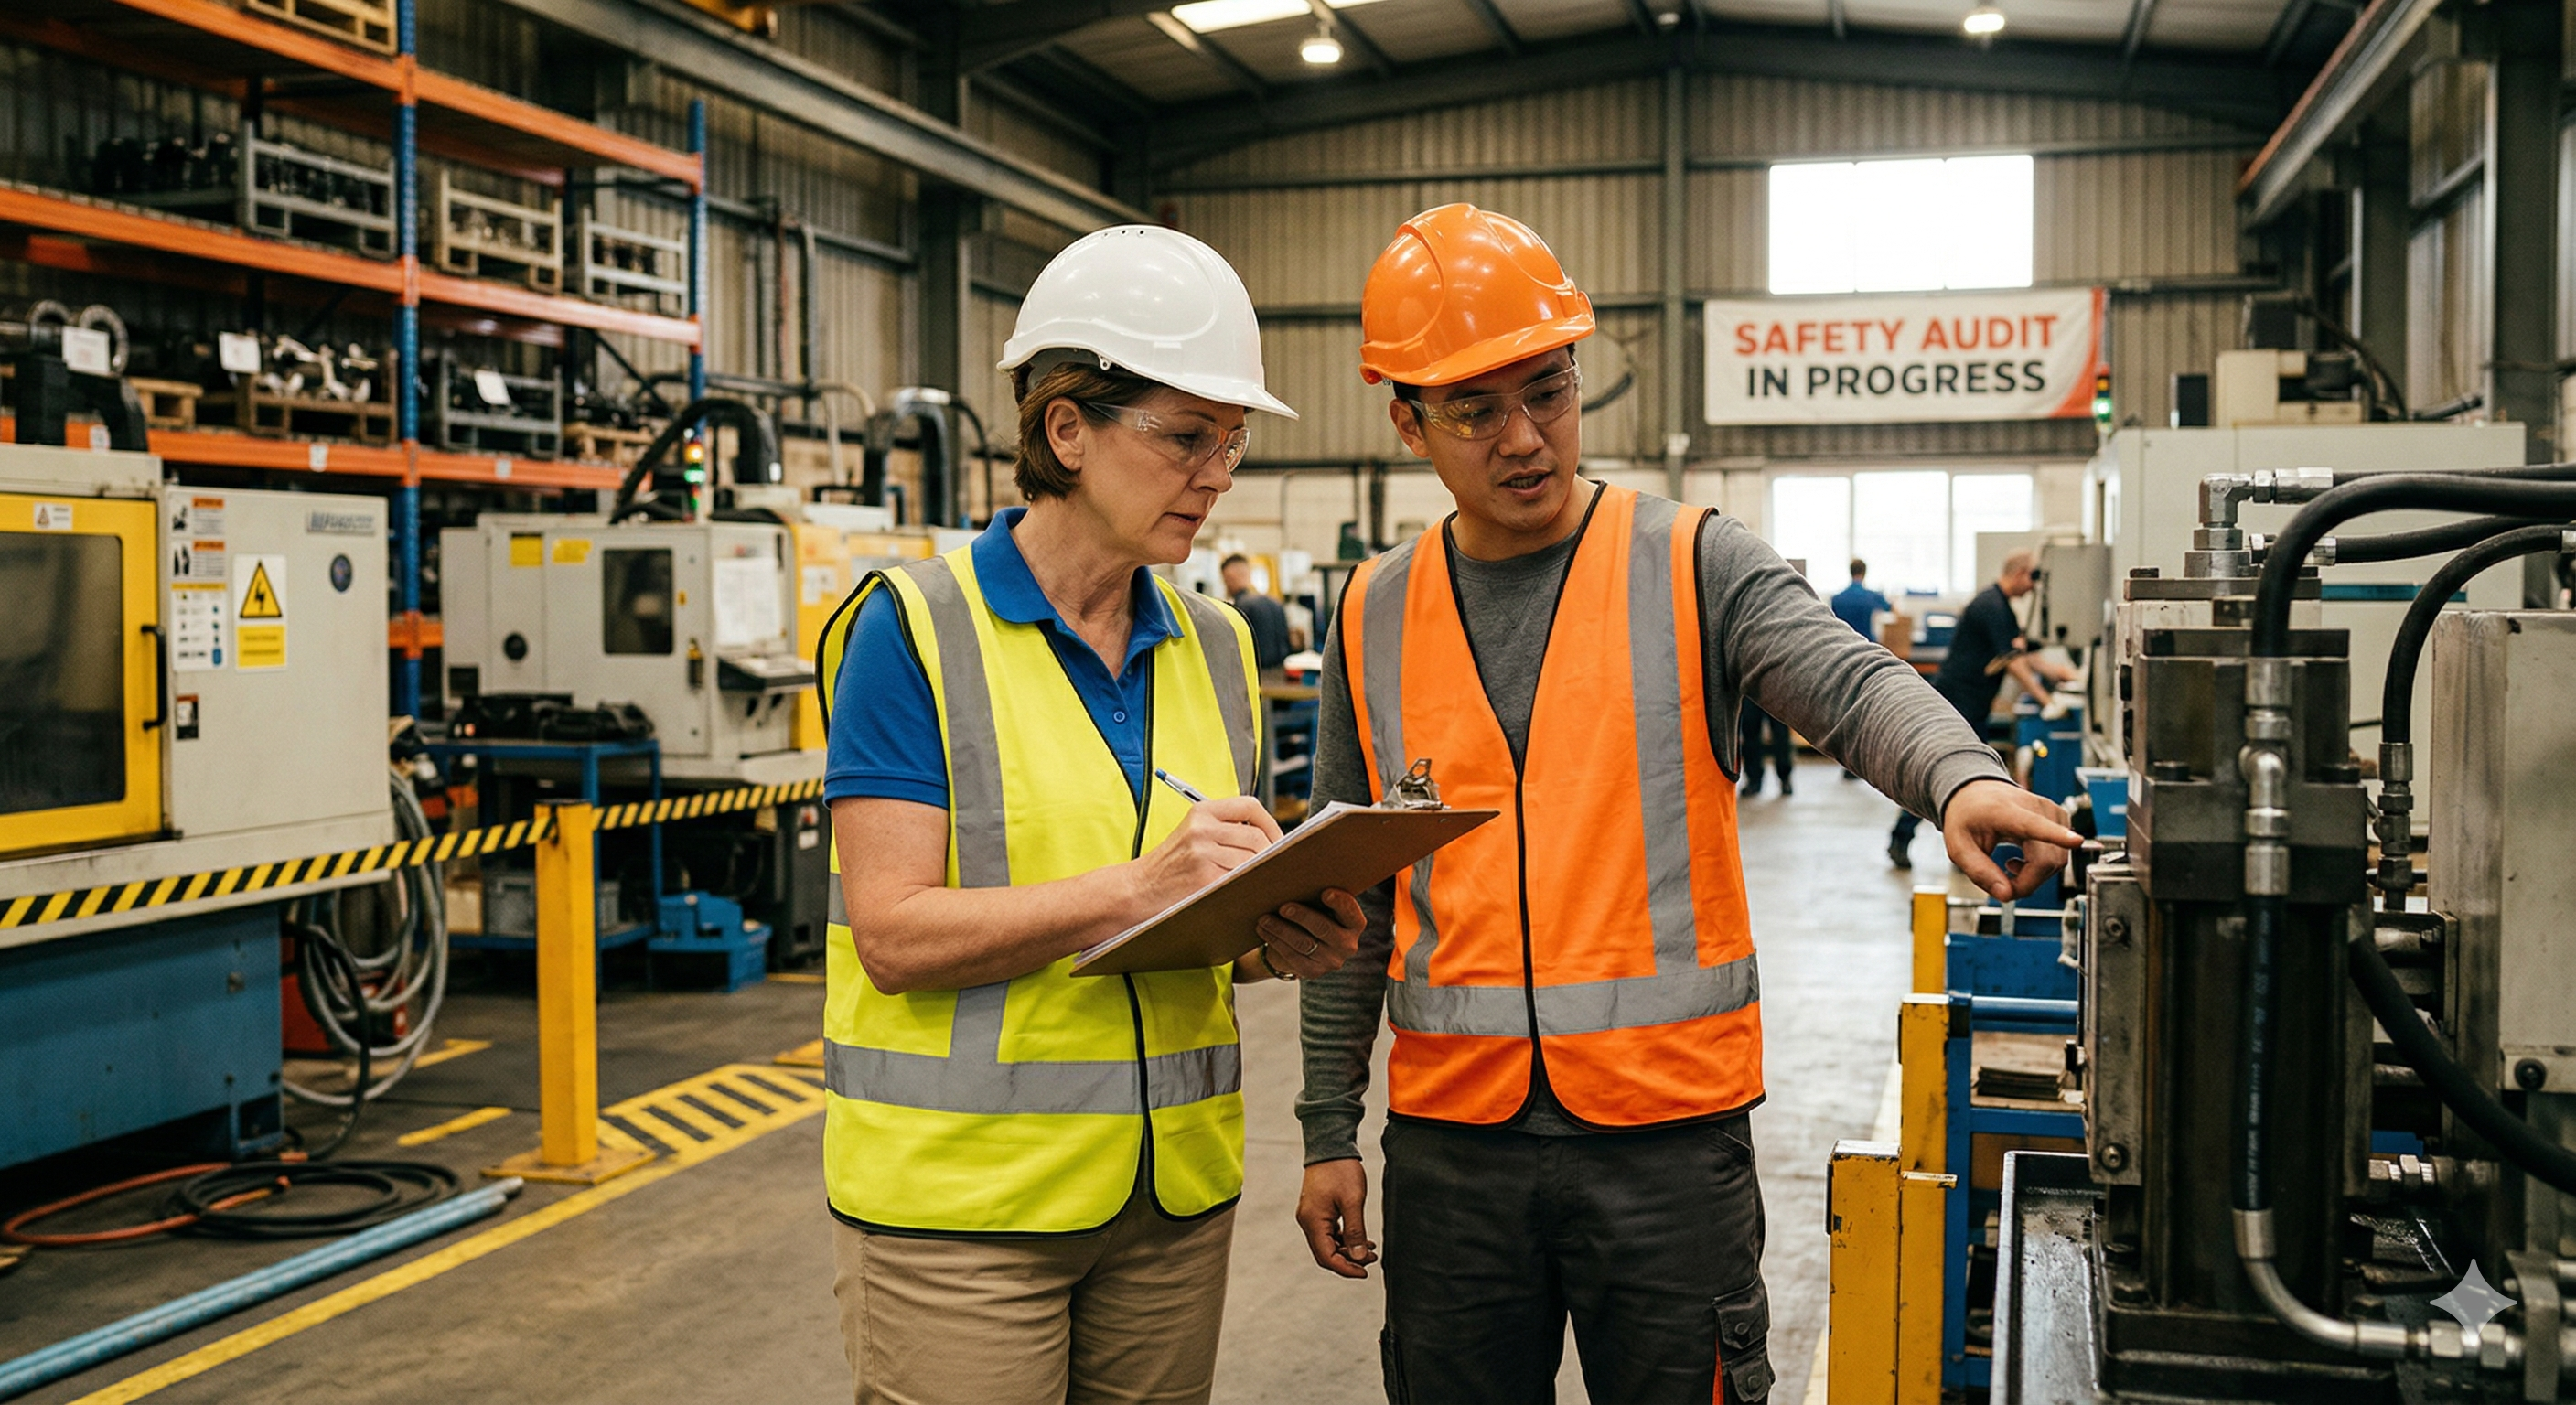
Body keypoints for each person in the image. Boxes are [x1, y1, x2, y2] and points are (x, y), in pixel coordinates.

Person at [1292, 204, 2083, 1405]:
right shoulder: (1373, 611)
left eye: (1547, 394)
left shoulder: (1690, 560)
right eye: (1475, 410)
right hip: (1454, 1156)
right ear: (1408, 422)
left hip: (1665, 1145)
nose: (1523, 439)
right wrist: (1323, 1129)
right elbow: (1341, 891)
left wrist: (1959, 776)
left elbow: (1851, 681)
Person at [817, 224, 1365, 1405]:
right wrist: (1136, 889)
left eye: (1234, 442)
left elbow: (1192, 920)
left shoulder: (1216, 647)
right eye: (1186, 438)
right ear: (1065, 428)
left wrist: (1276, 938)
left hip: (1170, 1205)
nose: (1218, 475)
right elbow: (894, 935)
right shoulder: (913, 632)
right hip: (962, 1216)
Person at [1886, 549, 2080, 870]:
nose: (2033, 587)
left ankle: (1965, 843)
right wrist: (2047, 702)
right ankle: (1901, 838)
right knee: (1944, 772)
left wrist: (2062, 675)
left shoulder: (2001, 608)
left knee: (1969, 775)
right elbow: (2013, 661)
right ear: (2019, 573)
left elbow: (2022, 653)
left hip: (1972, 704)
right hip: (1958, 702)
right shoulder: (1991, 606)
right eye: (2031, 579)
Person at [1220, 552, 1292, 672]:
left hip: (1255, 677)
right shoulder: (1275, 603)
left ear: (1229, 577)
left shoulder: (1239, 608)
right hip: (1280, 675)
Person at [1831, 558, 1893, 641]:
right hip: (1865, 644)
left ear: (1851, 572)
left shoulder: (1836, 599)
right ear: (1864, 573)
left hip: (1843, 643)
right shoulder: (1873, 597)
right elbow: (1891, 609)